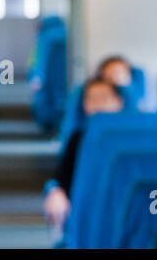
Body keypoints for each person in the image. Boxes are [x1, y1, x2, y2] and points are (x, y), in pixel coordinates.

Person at [43, 76, 124, 229]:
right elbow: (62, 180)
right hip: (88, 211)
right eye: (91, 99)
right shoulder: (78, 139)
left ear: (119, 102)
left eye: (104, 98)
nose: (98, 104)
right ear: (85, 106)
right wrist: (56, 192)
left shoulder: (136, 138)